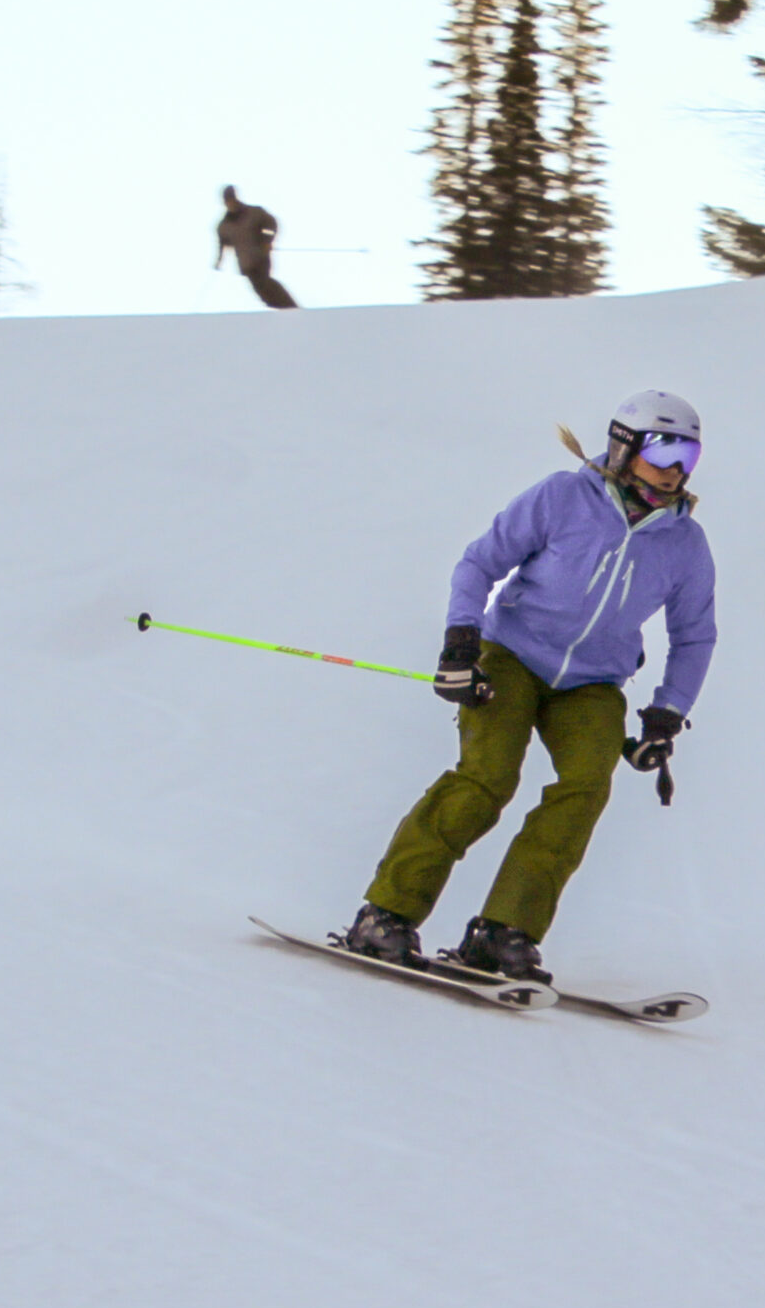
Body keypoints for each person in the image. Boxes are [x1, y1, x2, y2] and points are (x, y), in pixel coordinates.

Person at [345, 390, 717, 982]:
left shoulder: (684, 544)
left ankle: (502, 932)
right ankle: (385, 914)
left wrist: (667, 714)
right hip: (513, 655)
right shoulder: (562, 498)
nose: (676, 470)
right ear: (625, 447)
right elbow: (479, 563)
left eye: (689, 456)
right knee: (488, 778)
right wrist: (462, 641)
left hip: (593, 682)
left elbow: (694, 635)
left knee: (587, 785)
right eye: (664, 449)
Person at [215, 185, 297, 309]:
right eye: (227, 201)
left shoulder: (254, 213)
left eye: (232, 199)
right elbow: (223, 244)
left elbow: (272, 223)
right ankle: (281, 309)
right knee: (261, 292)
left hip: (260, 256)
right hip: (246, 263)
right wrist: (219, 261)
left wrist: (268, 241)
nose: (230, 203)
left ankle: (290, 307)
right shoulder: (224, 226)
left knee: (265, 282)